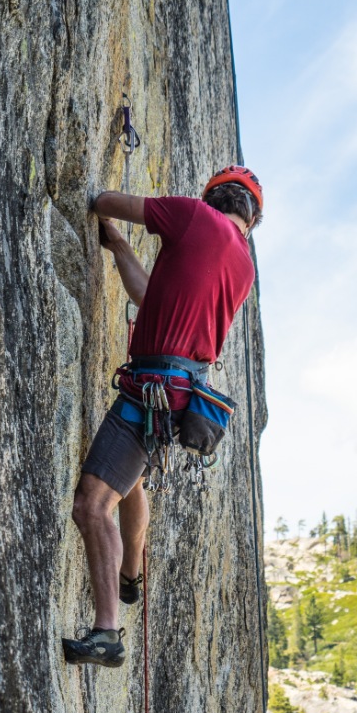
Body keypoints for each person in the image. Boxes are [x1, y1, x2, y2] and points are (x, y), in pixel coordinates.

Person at [63, 166, 263, 668]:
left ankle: (107, 631)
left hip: (148, 392)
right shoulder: (242, 267)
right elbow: (154, 300)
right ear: (252, 218)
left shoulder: (193, 215)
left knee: (91, 505)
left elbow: (107, 199)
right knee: (129, 482)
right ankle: (130, 574)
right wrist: (120, 251)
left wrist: (102, 205)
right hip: (178, 396)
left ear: (213, 197)